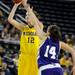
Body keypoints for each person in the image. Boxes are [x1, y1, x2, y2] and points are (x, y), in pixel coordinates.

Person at [22, 0, 75, 75]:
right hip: (58, 69)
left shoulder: (43, 37)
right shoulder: (59, 43)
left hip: (45, 69)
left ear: (49, 33)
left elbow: (35, 23)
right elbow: (73, 51)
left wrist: (27, 8)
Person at [8, 2, 40, 75]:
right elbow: (10, 19)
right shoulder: (23, 28)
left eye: (28, 15)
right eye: (26, 15)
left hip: (34, 57)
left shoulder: (39, 27)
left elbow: (35, 21)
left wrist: (29, 10)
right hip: (24, 56)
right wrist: (16, 5)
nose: (26, 16)